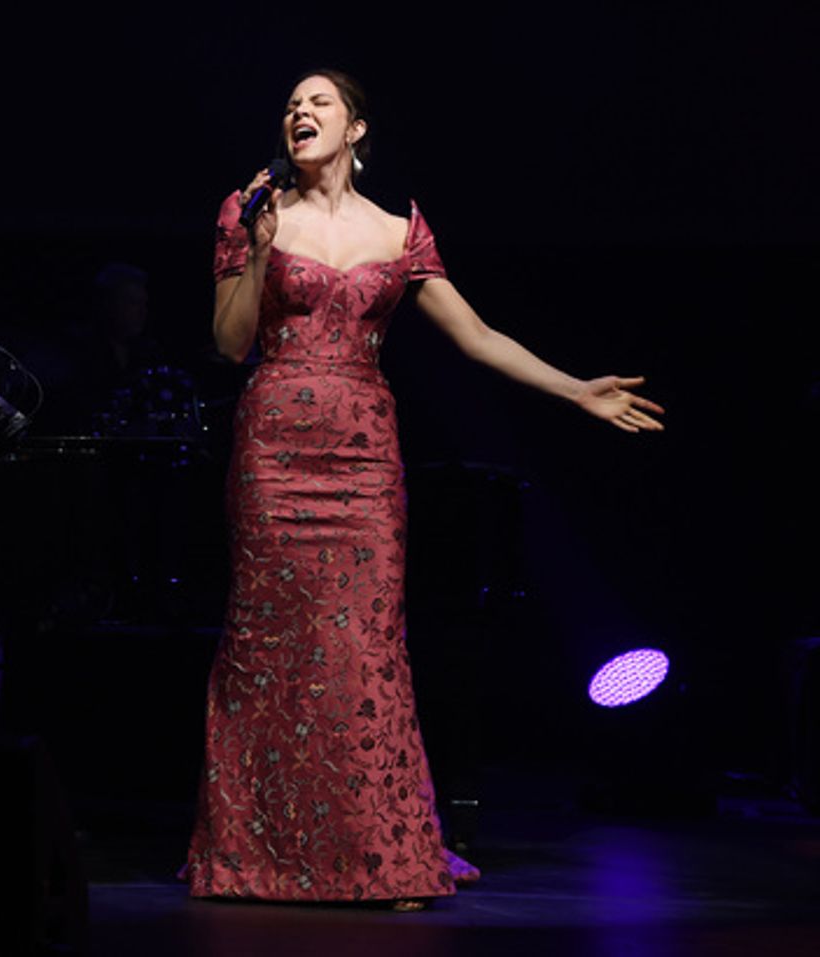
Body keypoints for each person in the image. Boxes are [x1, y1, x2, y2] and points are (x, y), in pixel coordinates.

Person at [186, 69, 664, 907]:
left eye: (319, 102)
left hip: (364, 460)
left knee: (363, 648)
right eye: (291, 105)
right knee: (270, 645)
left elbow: (475, 335)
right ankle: (255, 852)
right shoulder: (251, 210)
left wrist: (575, 389)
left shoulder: (398, 229)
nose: (300, 112)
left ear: (356, 128)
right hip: (275, 453)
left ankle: (379, 854)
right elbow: (230, 344)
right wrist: (258, 249)